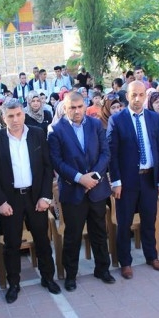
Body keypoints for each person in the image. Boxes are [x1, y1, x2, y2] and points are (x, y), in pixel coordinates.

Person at [0, 99, 60, 303]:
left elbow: (47, 167)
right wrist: (0, 201)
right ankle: (14, 284)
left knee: (42, 240)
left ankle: (48, 278)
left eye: (18, 114)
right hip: (10, 200)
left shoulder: (37, 134)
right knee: (12, 244)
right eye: (10, 116)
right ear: (3, 117)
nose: (15, 119)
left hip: (35, 197)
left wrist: (45, 196)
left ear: (23, 114)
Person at [48, 92, 116, 291]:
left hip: (97, 189)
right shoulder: (56, 130)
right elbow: (57, 161)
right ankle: (70, 275)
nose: (77, 111)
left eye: (79, 107)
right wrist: (80, 178)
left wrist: (94, 177)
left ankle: (102, 269)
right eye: (72, 107)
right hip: (73, 191)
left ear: (85, 106)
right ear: (65, 108)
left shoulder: (95, 125)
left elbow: (105, 153)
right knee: (73, 235)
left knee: (99, 231)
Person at [107, 81, 159, 278]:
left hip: (149, 178)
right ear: (127, 96)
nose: (137, 99)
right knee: (124, 223)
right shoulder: (117, 120)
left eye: (141, 95)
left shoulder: (153, 118)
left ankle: (152, 256)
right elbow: (112, 154)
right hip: (127, 181)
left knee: (149, 219)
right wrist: (116, 181)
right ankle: (125, 262)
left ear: (145, 96)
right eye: (134, 95)